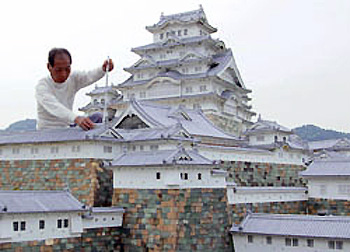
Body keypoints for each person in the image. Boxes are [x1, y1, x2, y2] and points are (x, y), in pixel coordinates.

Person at [35, 48, 113, 130]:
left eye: (67, 69)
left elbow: (89, 76)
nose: (63, 74)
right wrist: (76, 118)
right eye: (58, 70)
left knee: (98, 117)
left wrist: (103, 69)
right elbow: (54, 106)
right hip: (47, 130)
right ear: (49, 67)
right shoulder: (42, 86)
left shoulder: (73, 78)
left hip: (68, 127)